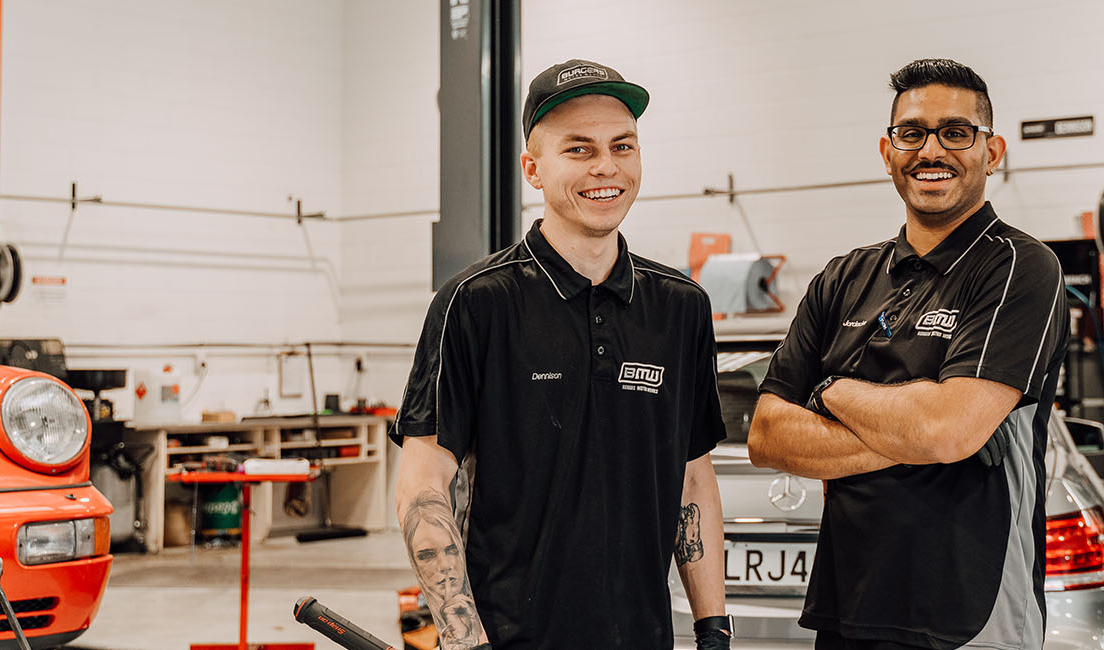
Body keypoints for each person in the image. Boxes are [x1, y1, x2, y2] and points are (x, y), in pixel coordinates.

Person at [393, 59, 732, 650]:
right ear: (533, 168)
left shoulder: (681, 308)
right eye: (579, 150)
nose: (607, 166)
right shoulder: (475, 304)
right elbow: (424, 482)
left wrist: (713, 629)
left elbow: (692, 477)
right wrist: (462, 637)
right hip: (507, 638)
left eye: (622, 146)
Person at [749, 58, 1068, 650]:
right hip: (849, 607)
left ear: (991, 151)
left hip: (972, 612)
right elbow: (768, 435)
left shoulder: (1020, 268)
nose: (931, 150)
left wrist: (831, 393)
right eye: (912, 133)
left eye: (956, 132)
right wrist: (917, 431)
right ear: (887, 150)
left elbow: (947, 430)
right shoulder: (841, 278)